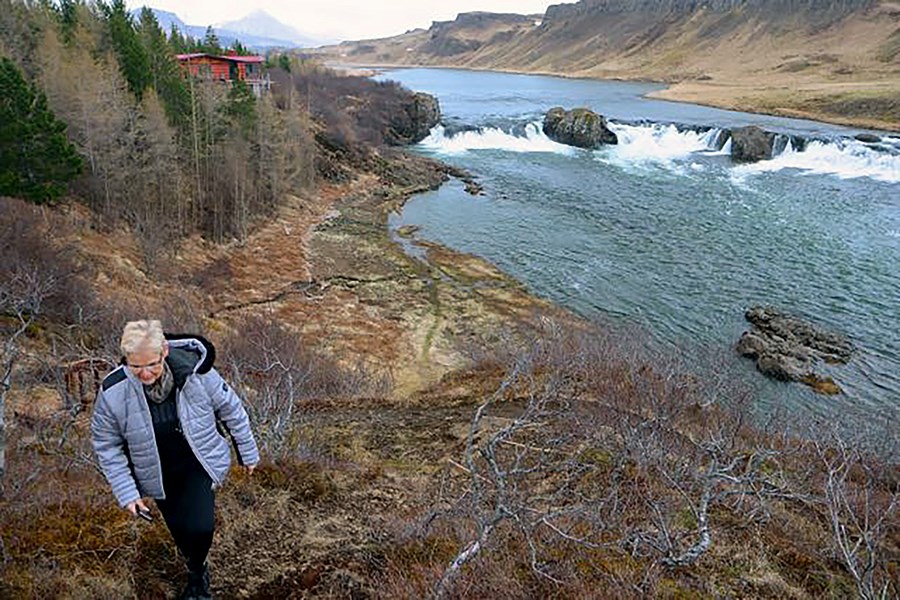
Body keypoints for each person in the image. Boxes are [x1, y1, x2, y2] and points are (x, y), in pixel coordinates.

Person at [91, 320, 260, 600]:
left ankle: (197, 579)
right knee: (181, 530)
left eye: (152, 365)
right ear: (126, 360)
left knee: (201, 526)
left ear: (164, 352)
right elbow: (107, 446)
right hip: (156, 473)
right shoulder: (113, 392)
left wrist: (248, 452)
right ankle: (195, 565)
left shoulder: (197, 374)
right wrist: (127, 493)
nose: (145, 373)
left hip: (198, 463)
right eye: (136, 366)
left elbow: (231, 409)